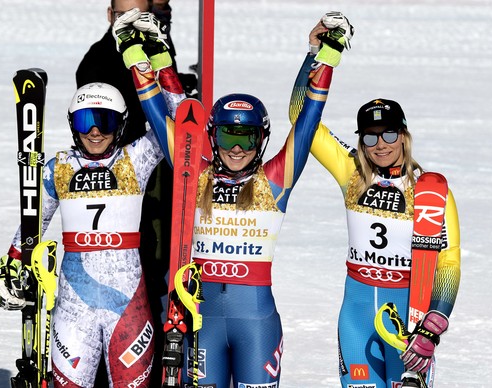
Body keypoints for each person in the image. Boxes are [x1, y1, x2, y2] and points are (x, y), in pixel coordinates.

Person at [111, 9, 354, 387]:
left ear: (262, 140)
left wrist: (325, 56)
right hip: (202, 322)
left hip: (255, 325)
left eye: (248, 138)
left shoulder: (274, 181)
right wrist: (137, 56)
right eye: (227, 137)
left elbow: (307, 119)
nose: (237, 148)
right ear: (212, 136)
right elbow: (160, 113)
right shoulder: (196, 172)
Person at [0, 82, 165, 387]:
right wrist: (12, 263)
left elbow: (180, 123)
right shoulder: (58, 168)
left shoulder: (136, 159)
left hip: (128, 307)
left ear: (121, 123)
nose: (95, 131)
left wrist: (149, 70)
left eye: (105, 120)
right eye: (86, 121)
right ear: (73, 124)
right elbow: (33, 222)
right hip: (74, 307)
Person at [76, 2, 197, 384]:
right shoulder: (99, 60)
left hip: (163, 187)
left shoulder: (155, 42)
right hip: (123, 195)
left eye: (150, 15)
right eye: (127, 16)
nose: (141, 24)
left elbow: (175, 116)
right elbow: (101, 136)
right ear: (110, 17)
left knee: (160, 285)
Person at [306, 94, 461, 385]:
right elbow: (302, 119)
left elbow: (449, 262)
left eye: (390, 134)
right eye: (370, 137)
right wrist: (320, 58)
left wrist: (433, 324)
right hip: (356, 319)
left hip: (408, 321)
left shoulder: (428, 191)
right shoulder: (352, 173)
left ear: (403, 136)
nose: (381, 145)